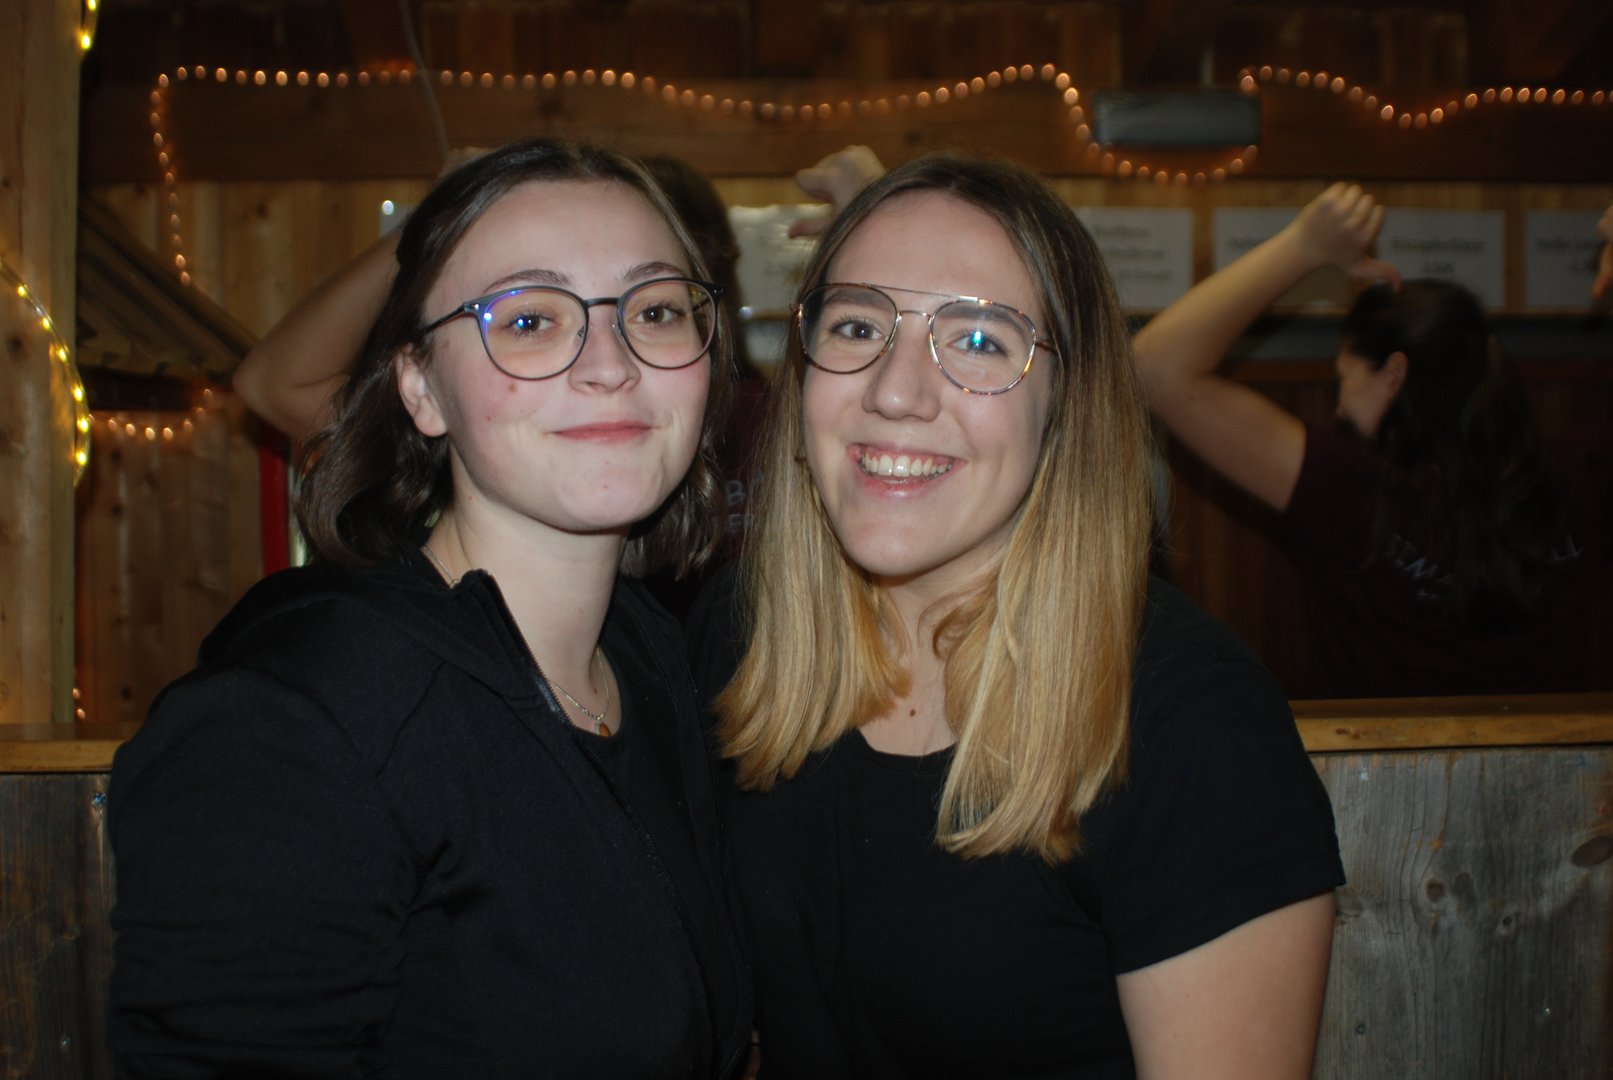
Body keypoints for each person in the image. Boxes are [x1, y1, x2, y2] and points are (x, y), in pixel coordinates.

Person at [108, 138, 753, 1078]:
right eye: (529, 320)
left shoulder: (650, 657)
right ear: (420, 388)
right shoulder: (299, 721)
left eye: (653, 310)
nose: (609, 364)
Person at [701, 154, 1344, 1078]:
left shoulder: (1193, 724)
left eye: (977, 340)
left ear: (1065, 408)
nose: (894, 391)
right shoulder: (733, 639)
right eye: (857, 326)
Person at [1132, 183, 1612, 697]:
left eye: (1343, 381)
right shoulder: (1584, 474)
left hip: (1369, 749)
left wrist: (1306, 245)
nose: (1338, 407)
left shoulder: (1345, 484)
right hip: (1560, 751)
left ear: (1393, 374)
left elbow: (1153, 366)